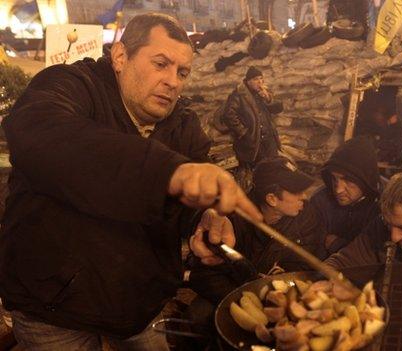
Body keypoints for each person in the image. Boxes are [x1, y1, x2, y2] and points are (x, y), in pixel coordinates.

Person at [0, 13, 261, 350]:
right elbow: (40, 133)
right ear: (120, 57)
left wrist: (204, 219)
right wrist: (169, 171)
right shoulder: (71, 85)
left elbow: (186, 198)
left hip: (137, 304)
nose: (173, 81)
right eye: (161, 64)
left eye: (182, 72)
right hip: (53, 306)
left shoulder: (182, 126)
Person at [187, 157, 326, 302]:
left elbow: (306, 261)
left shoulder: (305, 216)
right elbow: (204, 274)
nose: (304, 196)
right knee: (200, 316)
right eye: (297, 192)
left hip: (280, 293)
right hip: (232, 295)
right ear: (272, 199)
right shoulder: (230, 221)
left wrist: (280, 279)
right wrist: (245, 298)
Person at [310, 136, 383, 254]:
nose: (338, 190)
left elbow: (378, 254)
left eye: (348, 180)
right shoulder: (320, 201)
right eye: (334, 178)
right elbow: (311, 246)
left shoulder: (382, 206)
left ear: (366, 180)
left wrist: (337, 244)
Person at [222, 65, 283, 174]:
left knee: (274, 168)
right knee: (257, 172)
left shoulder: (264, 93)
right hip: (252, 141)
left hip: (269, 139)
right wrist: (243, 132)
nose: (259, 82)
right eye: (255, 79)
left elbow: (278, 109)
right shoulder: (239, 95)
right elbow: (228, 115)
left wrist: (268, 98)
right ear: (248, 81)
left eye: (261, 79)